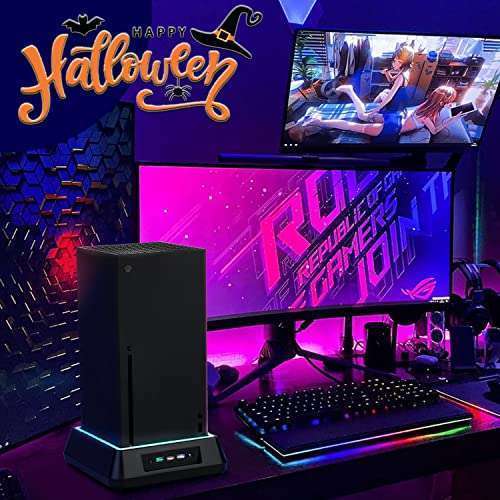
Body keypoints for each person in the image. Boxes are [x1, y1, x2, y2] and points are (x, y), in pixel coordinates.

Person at [289, 86, 465, 144]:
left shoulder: (424, 105)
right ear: (443, 103)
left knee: (363, 116)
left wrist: (448, 111)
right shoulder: (429, 116)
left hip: (395, 116)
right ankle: (319, 122)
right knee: (353, 126)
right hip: (393, 127)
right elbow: (434, 131)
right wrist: (453, 119)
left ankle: (350, 92)